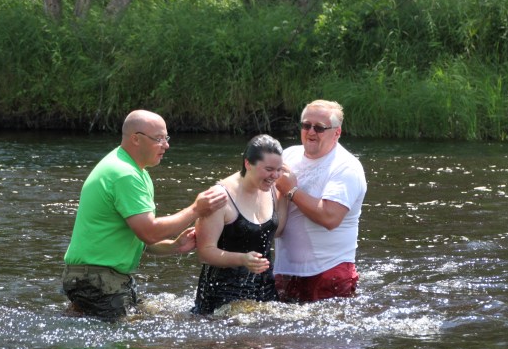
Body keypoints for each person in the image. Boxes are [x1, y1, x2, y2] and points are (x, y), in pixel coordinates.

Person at [62, 109, 227, 320]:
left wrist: (175, 246)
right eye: (159, 139)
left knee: (152, 317)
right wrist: (196, 209)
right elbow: (149, 232)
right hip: (98, 279)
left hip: (95, 277)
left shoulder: (136, 171)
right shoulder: (124, 174)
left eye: (166, 138)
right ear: (136, 139)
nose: (166, 145)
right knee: (134, 334)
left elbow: (140, 238)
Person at [273, 100, 367, 302]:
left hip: (329, 273)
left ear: (337, 132)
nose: (311, 132)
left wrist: (291, 190)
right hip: (286, 271)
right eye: (306, 125)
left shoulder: (346, 167)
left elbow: (330, 217)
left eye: (319, 128)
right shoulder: (288, 156)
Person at [192, 134, 286, 315]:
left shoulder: (273, 189)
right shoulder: (219, 196)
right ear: (248, 164)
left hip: (265, 289)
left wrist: (287, 193)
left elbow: (277, 231)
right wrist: (242, 259)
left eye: (279, 170)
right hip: (223, 295)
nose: (274, 176)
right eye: (268, 169)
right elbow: (205, 252)